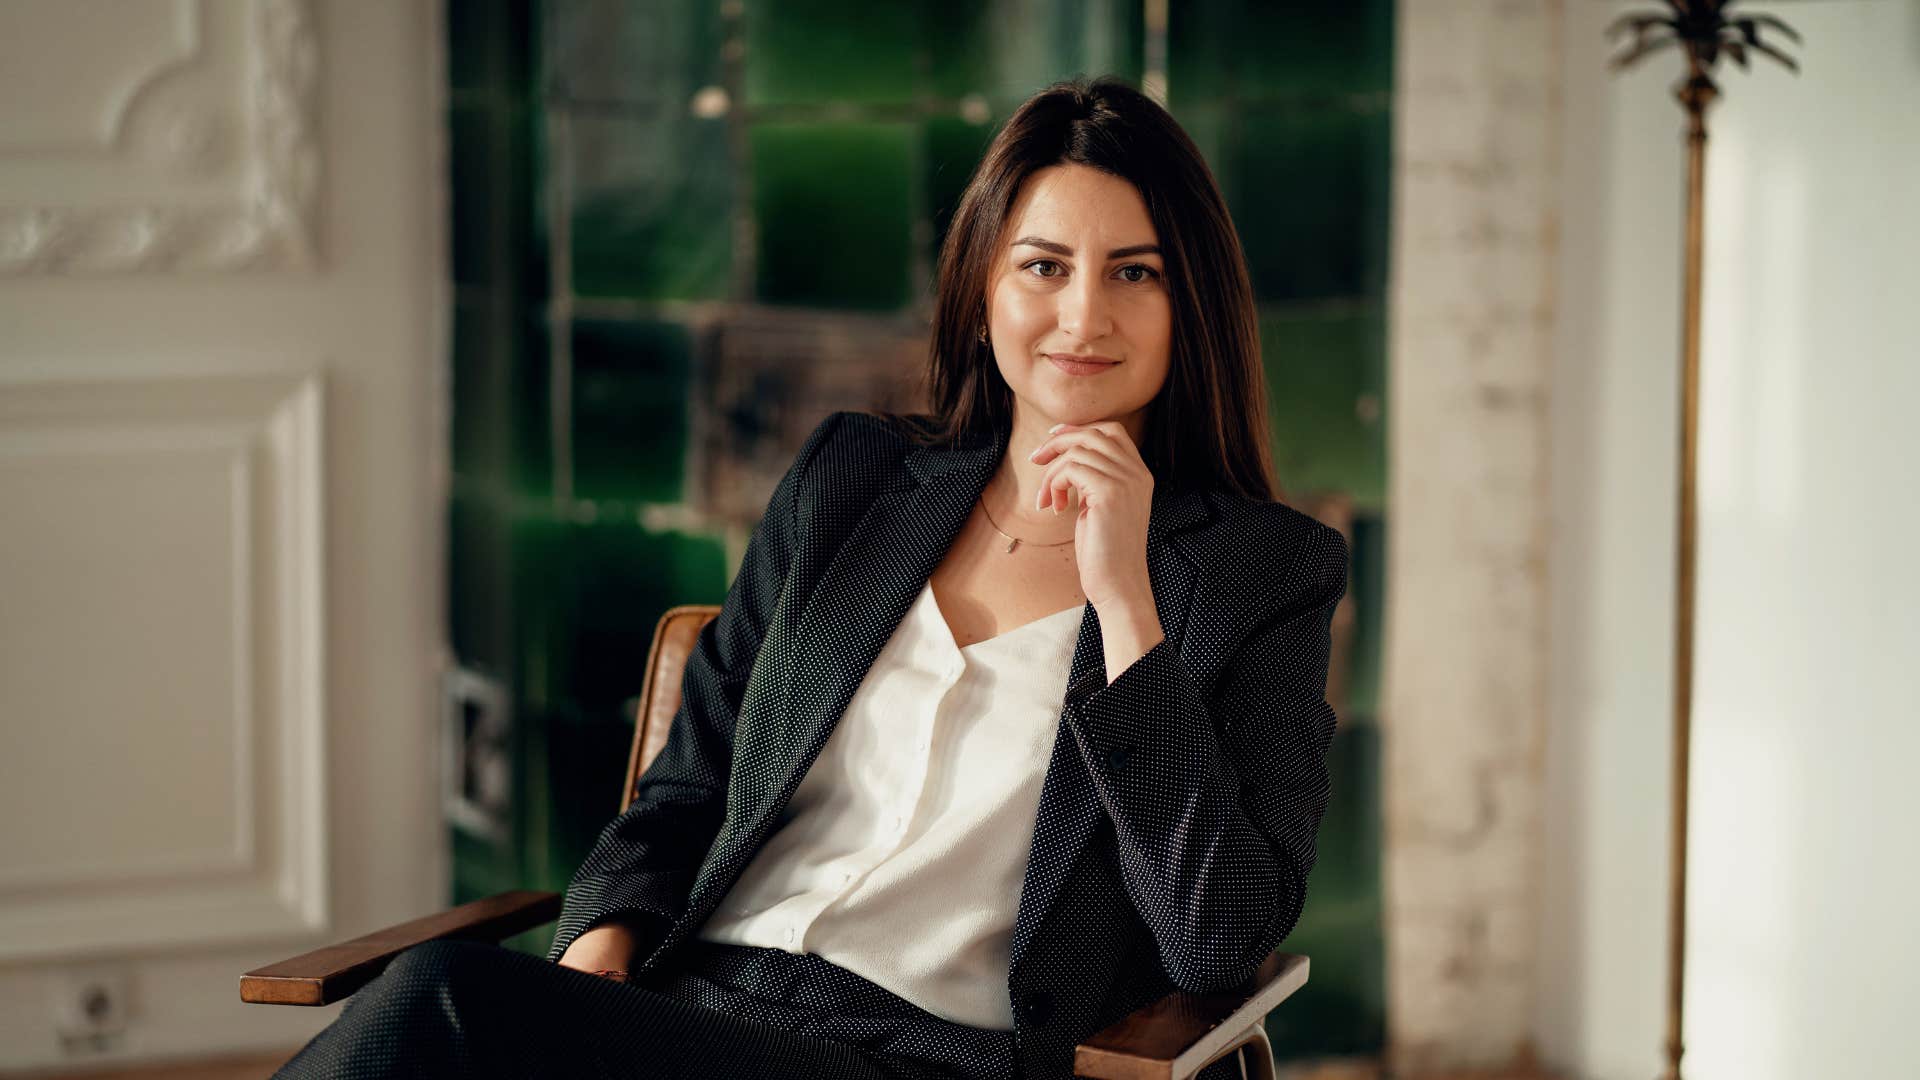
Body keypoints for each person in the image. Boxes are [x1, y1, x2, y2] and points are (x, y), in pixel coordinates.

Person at [274, 74, 1348, 1080]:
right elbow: (689, 783)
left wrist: (1127, 605)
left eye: (1136, 271)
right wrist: (591, 965)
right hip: (695, 1012)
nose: (1081, 316)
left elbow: (1218, 939)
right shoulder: (854, 481)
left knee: (439, 997)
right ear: (982, 288)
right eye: (1043, 265)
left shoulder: (1264, 577)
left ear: (1190, 302)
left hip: (920, 1058)